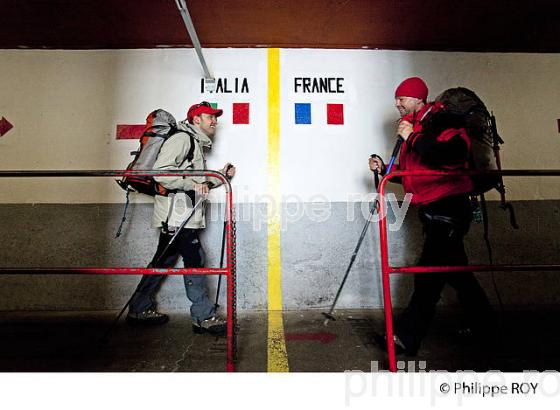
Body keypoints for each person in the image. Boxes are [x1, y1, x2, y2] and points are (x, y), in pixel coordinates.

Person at [369, 77, 492, 355]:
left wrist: (411, 136)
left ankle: (406, 338)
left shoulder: (442, 120)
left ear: (418, 99)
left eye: (402, 98)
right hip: (433, 209)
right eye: (396, 99)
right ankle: (486, 327)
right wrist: (386, 170)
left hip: (448, 208)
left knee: (427, 278)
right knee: (459, 276)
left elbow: (451, 155)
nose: (397, 103)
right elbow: (420, 172)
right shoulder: (419, 127)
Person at [126, 101, 236, 337]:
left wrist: (220, 177)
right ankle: (204, 316)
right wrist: (193, 184)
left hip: (181, 215)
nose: (214, 121)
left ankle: (138, 308)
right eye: (210, 117)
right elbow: (162, 174)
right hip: (177, 217)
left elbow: (197, 182)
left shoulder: (193, 143)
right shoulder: (182, 139)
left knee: (162, 262)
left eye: (215, 117)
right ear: (197, 119)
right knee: (195, 259)